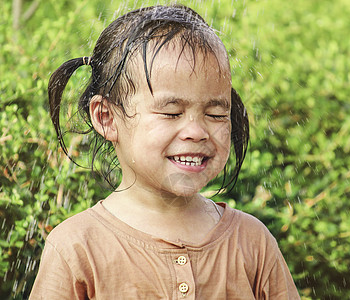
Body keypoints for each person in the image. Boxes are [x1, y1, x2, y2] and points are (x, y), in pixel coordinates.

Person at [30, 4, 300, 299]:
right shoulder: (78, 248)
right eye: (172, 113)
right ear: (106, 118)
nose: (196, 131)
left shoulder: (252, 242)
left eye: (215, 114)